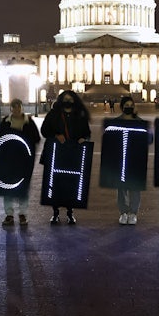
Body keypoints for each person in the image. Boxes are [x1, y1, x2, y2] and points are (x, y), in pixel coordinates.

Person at [40, 90, 91, 224]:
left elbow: (87, 132)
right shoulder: (53, 114)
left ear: (74, 100)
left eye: (70, 99)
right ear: (61, 100)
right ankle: (55, 213)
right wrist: (56, 135)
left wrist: (82, 138)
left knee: (71, 183)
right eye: (66, 99)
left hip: (72, 153)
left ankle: (70, 212)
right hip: (56, 153)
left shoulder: (79, 115)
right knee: (55, 183)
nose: (68, 101)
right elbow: (44, 130)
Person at [0, 99, 40, 226]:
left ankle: (23, 214)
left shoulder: (29, 122)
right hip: (8, 160)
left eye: (18, 107)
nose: (16, 110)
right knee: (8, 187)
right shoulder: (5, 121)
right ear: (11, 108)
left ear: (21, 108)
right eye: (14, 107)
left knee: (23, 188)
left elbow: (36, 138)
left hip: (24, 160)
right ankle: (9, 214)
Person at [112, 96, 151, 225]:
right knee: (121, 188)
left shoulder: (140, 122)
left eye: (131, 105)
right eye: (126, 105)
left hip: (135, 159)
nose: (129, 107)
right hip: (120, 159)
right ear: (122, 107)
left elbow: (149, 138)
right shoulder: (116, 122)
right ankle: (123, 212)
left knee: (135, 187)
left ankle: (133, 213)